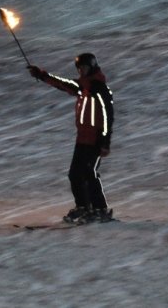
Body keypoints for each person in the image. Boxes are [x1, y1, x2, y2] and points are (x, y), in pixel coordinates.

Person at [28, 53, 114, 224]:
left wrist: (105, 141)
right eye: (79, 68)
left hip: (95, 139)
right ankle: (83, 206)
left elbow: (107, 116)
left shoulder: (99, 88)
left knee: (89, 173)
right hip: (82, 139)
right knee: (74, 174)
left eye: (84, 68)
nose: (81, 71)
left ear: (92, 67)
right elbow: (64, 84)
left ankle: (100, 209)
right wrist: (42, 75)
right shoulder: (83, 87)